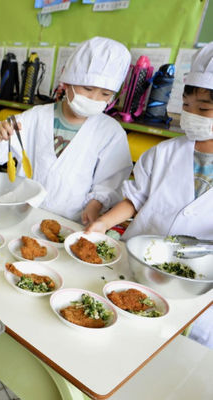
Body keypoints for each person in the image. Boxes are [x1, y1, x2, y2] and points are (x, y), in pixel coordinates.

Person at [86, 42, 213, 349]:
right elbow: (135, 199)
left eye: (204, 109)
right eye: (186, 106)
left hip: (198, 288)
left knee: (177, 353)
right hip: (138, 266)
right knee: (120, 340)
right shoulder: (164, 153)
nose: (192, 115)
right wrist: (102, 224)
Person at [0, 37, 133, 224]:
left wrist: (95, 204)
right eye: (88, 88)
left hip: (71, 221)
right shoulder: (35, 117)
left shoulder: (111, 133)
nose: (94, 98)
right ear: (67, 82)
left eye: (105, 94)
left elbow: (109, 181)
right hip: (25, 212)